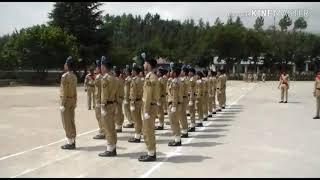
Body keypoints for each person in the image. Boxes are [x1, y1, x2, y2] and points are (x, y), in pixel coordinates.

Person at [139, 57, 160, 162]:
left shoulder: (150, 78)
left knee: (148, 131)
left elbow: (147, 96)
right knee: (146, 130)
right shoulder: (151, 77)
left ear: (149, 65)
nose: (143, 65)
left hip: (149, 107)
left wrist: (146, 111)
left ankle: (151, 154)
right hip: (150, 106)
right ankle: (150, 152)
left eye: (145, 63)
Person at [98, 56, 119, 157]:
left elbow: (104, 94)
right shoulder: (114, 78)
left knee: (107, 127)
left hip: (106, 105)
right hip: (113, 104)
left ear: (105, 67)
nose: (101, 68)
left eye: (102, 66)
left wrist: (102, 105)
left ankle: (110, 148)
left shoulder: (105, 79)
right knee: (112, 127)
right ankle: (113, 146)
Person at [60, 56, 78, 150]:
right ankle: (73, 139)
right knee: (71, 121)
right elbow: (75, 91)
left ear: (67, 65)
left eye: (65, 64)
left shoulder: (65, 76)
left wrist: (62, 104)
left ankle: (70, 142)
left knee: (66, 122)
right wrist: (75, 102)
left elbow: (64, 92)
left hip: (66, 101)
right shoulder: (74, 76)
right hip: (72, 100)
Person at [167, 63, 183, 146]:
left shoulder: (175, 82)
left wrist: (173, 106)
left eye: (171, 71)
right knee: (174, 122)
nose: (170, 72)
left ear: (175, 73)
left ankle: (177, 140)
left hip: (174, 104)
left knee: (174, 122)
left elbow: (175, 95)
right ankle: (177, 139)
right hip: (175, 104)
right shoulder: (174, 81)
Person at [128, 65, 144, 142]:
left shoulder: (134, 81)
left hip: (135, 102)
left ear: (135, 72)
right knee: (139, 119)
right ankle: (139, 133)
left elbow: (133, 93)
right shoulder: (140, 80)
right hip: (139, 100)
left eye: (132, 71)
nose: (131, 72)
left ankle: (137, 136)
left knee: (136, 120)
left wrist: (132, 103)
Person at [92, 59, 105, 140]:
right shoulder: (102, 77)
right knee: (100, 117)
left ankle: (102, 132)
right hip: (100, 99)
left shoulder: (98, 77)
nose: (95, 69)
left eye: (96, 68)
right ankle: (103, 131)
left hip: (99, 100)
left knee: (99, 116)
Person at [179, 65, 189, 137]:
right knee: (182, 115)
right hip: (183, 98)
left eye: (182, 71)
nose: (181, 72)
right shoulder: (183, 79)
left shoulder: (185, 80)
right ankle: (184, 130)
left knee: (182, 115)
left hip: (183, 98)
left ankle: (185, 131)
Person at [113, 66, 125, 133]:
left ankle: (118, 126)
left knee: (117, 113)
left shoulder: (116, 80)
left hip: (117, 98)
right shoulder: (120, 80)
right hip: (120, 97)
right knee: (119, 112)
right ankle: (119, 125)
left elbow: (115, 90)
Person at [187, 67, 197, 132]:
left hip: (191, 96)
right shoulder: (192, 79)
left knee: (191, 112)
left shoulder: (192, 80)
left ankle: (192, 125)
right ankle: (192, 124)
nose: (189, 73)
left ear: (192, 73)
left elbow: (192, 90)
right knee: (191, 111)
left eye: (190, 72)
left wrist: (190, 99)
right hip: (191, 96)